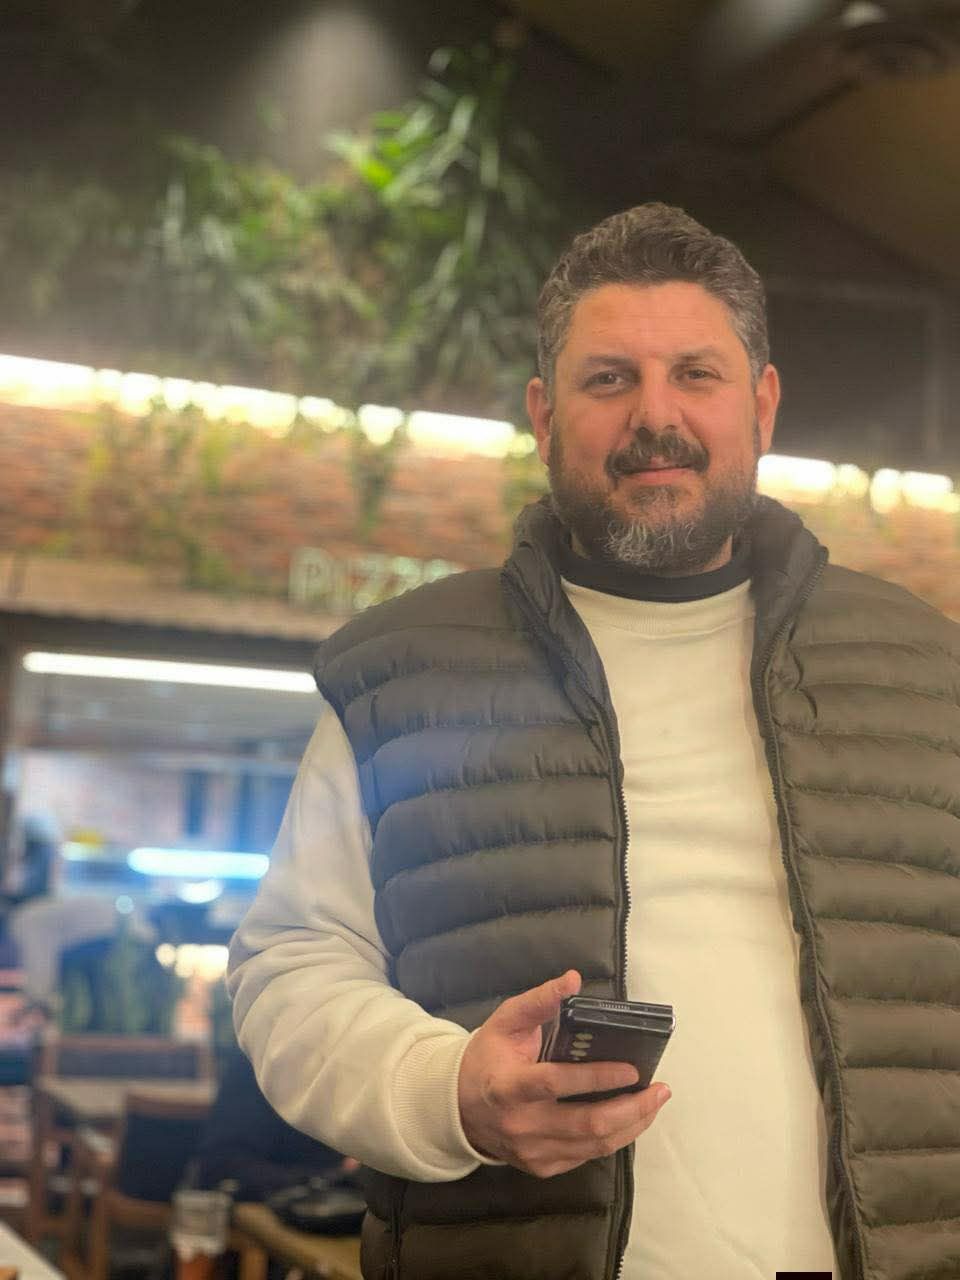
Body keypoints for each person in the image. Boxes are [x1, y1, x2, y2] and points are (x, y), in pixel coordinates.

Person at [227, 203, 960, 1280]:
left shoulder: (928, 670)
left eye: (696, 375)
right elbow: (291, 965)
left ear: (762, 403)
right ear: (543, 413)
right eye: (609, 379)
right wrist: (447, 1092)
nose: (655, 416)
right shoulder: (401, 674)